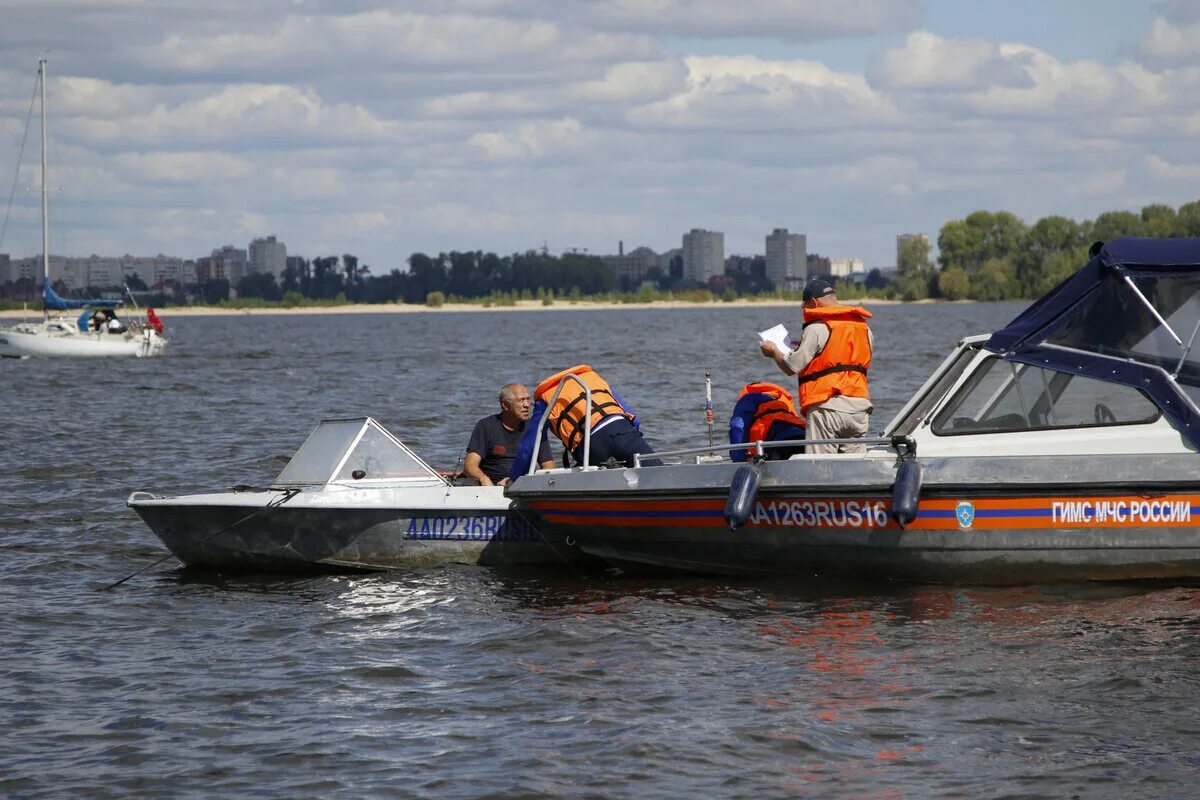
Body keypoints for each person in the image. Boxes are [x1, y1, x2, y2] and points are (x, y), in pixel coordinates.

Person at [760, 278, 874, 453]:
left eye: (805, 306)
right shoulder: (864, 328)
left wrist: (774, 351)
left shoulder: (817, 328)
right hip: (859, 409)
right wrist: (806, 348)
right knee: (853, 470)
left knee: (820, 469)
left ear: (813, 303)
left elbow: (791, 366)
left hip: (827, 408)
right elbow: (844, 358)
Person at [510, 365, 659, 477]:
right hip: (623, 432)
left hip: (592, 445)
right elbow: (635, 419)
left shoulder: (545, 397)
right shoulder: (594, 379)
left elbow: (530, 444)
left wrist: (514, 479)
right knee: (659, 472)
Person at [463, 383, 554, 487]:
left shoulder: (536, 429)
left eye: (528, 399)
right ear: (505, 405)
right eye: (521, 400)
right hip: (491, 487)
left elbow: (549, 466)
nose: (527, 405)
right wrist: (483, 478)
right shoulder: (485, 426)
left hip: (523, 486)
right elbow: (470, 466)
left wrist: (522, 480)